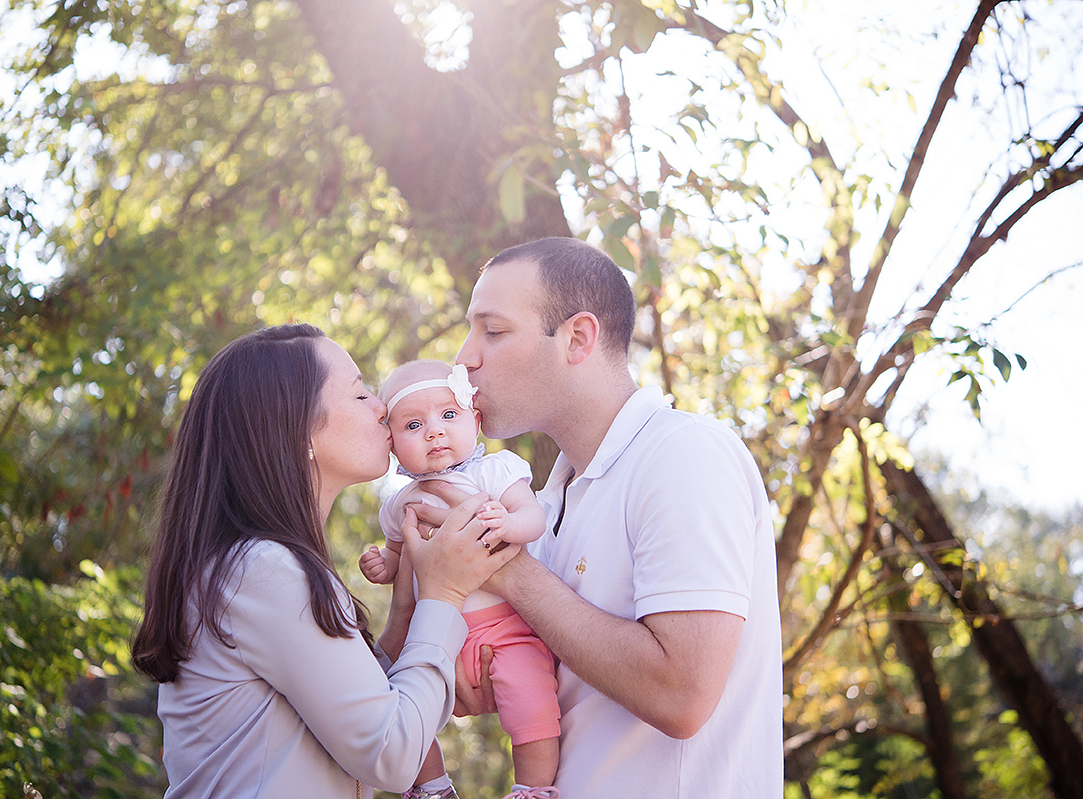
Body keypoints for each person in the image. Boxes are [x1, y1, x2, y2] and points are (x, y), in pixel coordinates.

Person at [417, 237, 784, 798]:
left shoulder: (684, 454)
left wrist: (506, 569)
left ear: (578, 338)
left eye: (492, 331)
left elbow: (679, 696)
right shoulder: (547, 504)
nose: (465, 357)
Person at [130, 323, 517, 798]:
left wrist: (405, 611)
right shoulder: (262, 570)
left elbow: (357, 704)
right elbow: (390, 753)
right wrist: (444, 595)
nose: (384, 409)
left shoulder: (258, 564)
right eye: (360, 396)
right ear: (298, 432)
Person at [359, 360, 560, 799]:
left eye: (448, 415)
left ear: (476, 420)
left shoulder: (495, 473)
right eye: (414, 424)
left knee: (534, 705)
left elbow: (534, 517)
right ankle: (431, 786)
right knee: (407, 703)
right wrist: (383, 566)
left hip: (506, 629)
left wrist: (507, 525)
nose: (434, 431)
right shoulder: (400, 503)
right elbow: (399, 556)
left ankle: (532, 788)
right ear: (393, 446)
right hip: (432, 635)